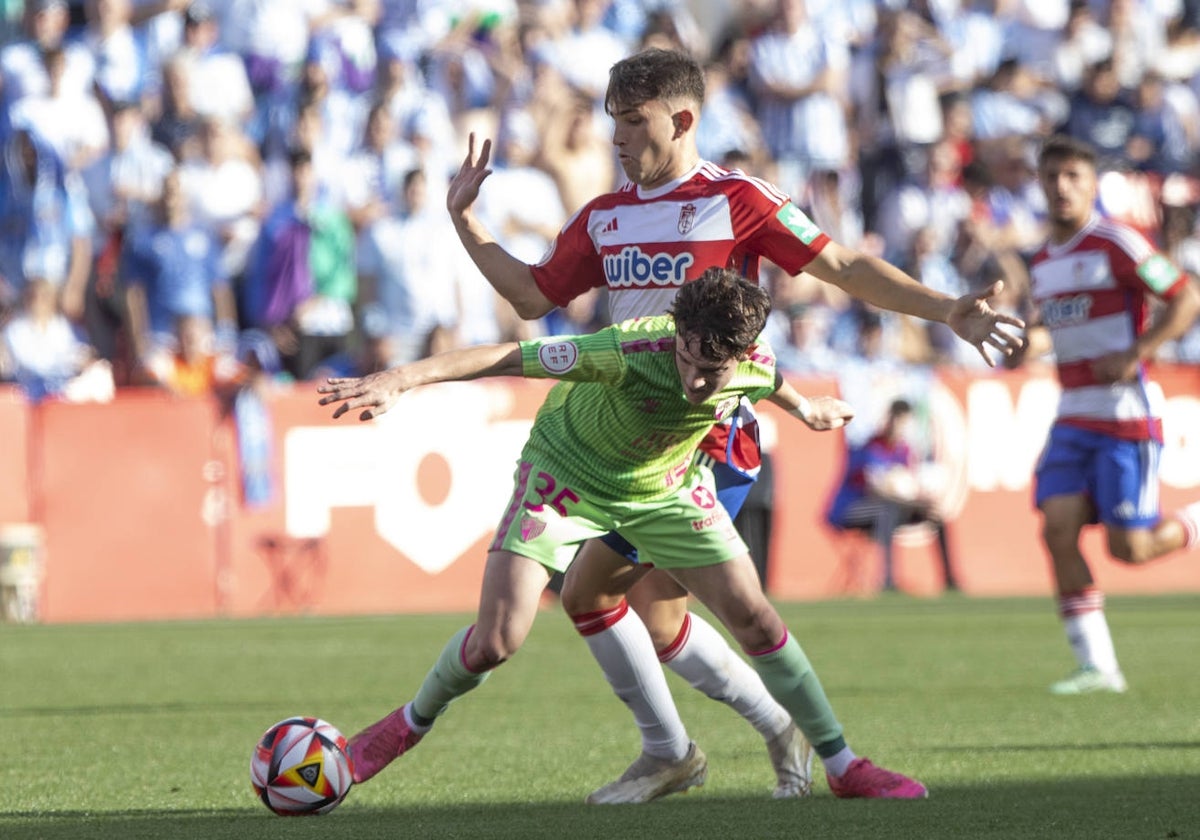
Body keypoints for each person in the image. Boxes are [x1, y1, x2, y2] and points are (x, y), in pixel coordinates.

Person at [437, 47, 1024, 803]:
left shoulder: (737, 199)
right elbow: (530, 295)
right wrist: (464, 219)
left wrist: (946, 310)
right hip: (632, 441)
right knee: (639, 611)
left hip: (713, 440)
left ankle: (756, 750)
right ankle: (758, 740)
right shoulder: (607, 217)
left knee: (619, 602)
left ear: (681, 120)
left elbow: (841, 265)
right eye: (613, 122)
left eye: (633, 123)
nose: (616, 140)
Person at [319, 267, 928, 800]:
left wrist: (808, 410)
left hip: (663, 489)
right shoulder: (625, 350)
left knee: (757, 618)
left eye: (711, 371)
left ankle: (843, 765)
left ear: (740, 355)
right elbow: (505, 355)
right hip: (566, 475)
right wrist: (401, 379)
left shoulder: (752, 365)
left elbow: (768, 382)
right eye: (687, 360)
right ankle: (406, 725)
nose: (694, 382)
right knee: (497, 639)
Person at [1017, 134, 1200, 695]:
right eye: (1052, 177)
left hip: (1125, 416)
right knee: (1057, 527)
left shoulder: (1116, 241)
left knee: (1131, 549)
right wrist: (1026, 339)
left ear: (1093, 184)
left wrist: (1137, 352)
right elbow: (1057, 330)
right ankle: (1098, 666)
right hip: (1072, 414)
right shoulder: (1043, 261)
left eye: (1073, 176)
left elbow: (1186, 296)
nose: (1061, 187)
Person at [825, 397, 958, 593]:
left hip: (891, 506)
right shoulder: (871, 447)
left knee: (934, 514)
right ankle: (888, 580)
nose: (901, 428)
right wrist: (911, 501)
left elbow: (907, 483)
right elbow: (875, 489)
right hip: (849, 509)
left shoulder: (903, 450)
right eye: (899, 422)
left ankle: (950, 579)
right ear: (890, 420)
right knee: (886, 511)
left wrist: (919, 501)